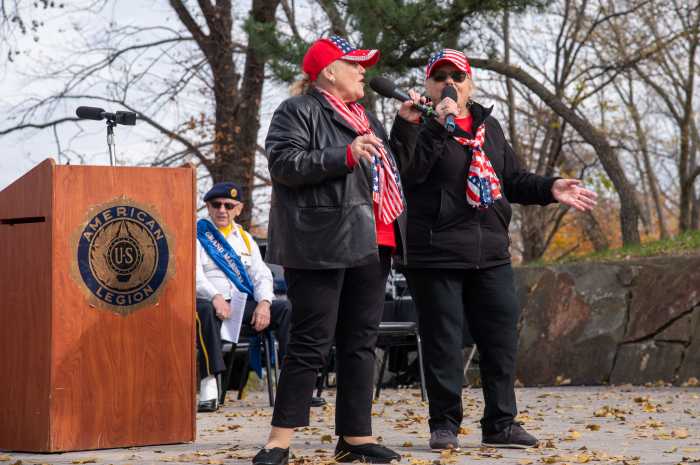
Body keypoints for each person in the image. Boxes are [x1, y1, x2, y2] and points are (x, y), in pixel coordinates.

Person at [390, 49, 598, 450]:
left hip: (490, 252)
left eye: (458, 76)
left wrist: (551, 188)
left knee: (500, 339)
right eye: (440, 76)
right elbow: (409, 177)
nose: (450, 82)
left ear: (471, 83)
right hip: (436, 254)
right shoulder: (413, 124)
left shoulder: (491, 128)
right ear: (428, 85)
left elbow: (513, 179)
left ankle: (501, 424)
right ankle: (445, 424)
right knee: (444, 342)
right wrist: (438, 125)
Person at [253, 36, 423, 465]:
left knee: (360, 343)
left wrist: (404, 125)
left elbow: (392, 170)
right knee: (311, 340)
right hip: (321, 240)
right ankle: (279, 440)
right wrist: (343, 153)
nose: (364, 70)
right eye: (356, 63)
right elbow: (284, 165)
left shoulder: (365, 116)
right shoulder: (299, 110)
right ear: (330, 71)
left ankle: (355, 437)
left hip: (374, 240)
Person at [195, 182, 291, 413]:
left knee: (285, 309)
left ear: (238, 209)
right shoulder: (197, 236)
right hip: (209, 303)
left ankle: (293, 383)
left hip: (241, 306)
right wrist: (215, 297)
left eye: (229, 205)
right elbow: (194, 275)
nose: (222, 210)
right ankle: (209, 383)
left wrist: (265, 304)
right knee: (205, 310)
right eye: (216, 204)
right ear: (207, 207)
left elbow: (261, 276)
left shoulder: (246, 239)